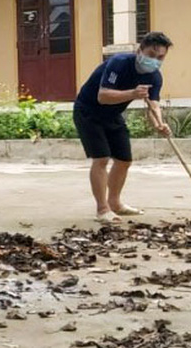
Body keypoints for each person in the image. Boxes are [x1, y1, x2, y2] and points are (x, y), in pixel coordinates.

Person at [73, 31, 173, 223]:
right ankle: (103, 209)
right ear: (139, 51)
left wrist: (159, 124)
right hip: (88, 112)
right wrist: (132, 94)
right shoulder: (119, 63)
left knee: (124, 160)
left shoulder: (155, 77)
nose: (155, 61)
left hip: (112, 115)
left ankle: (115, 203)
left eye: (160, 57)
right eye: (151, 56)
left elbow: (153, 104)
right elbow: (102, 96)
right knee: (101, 158)